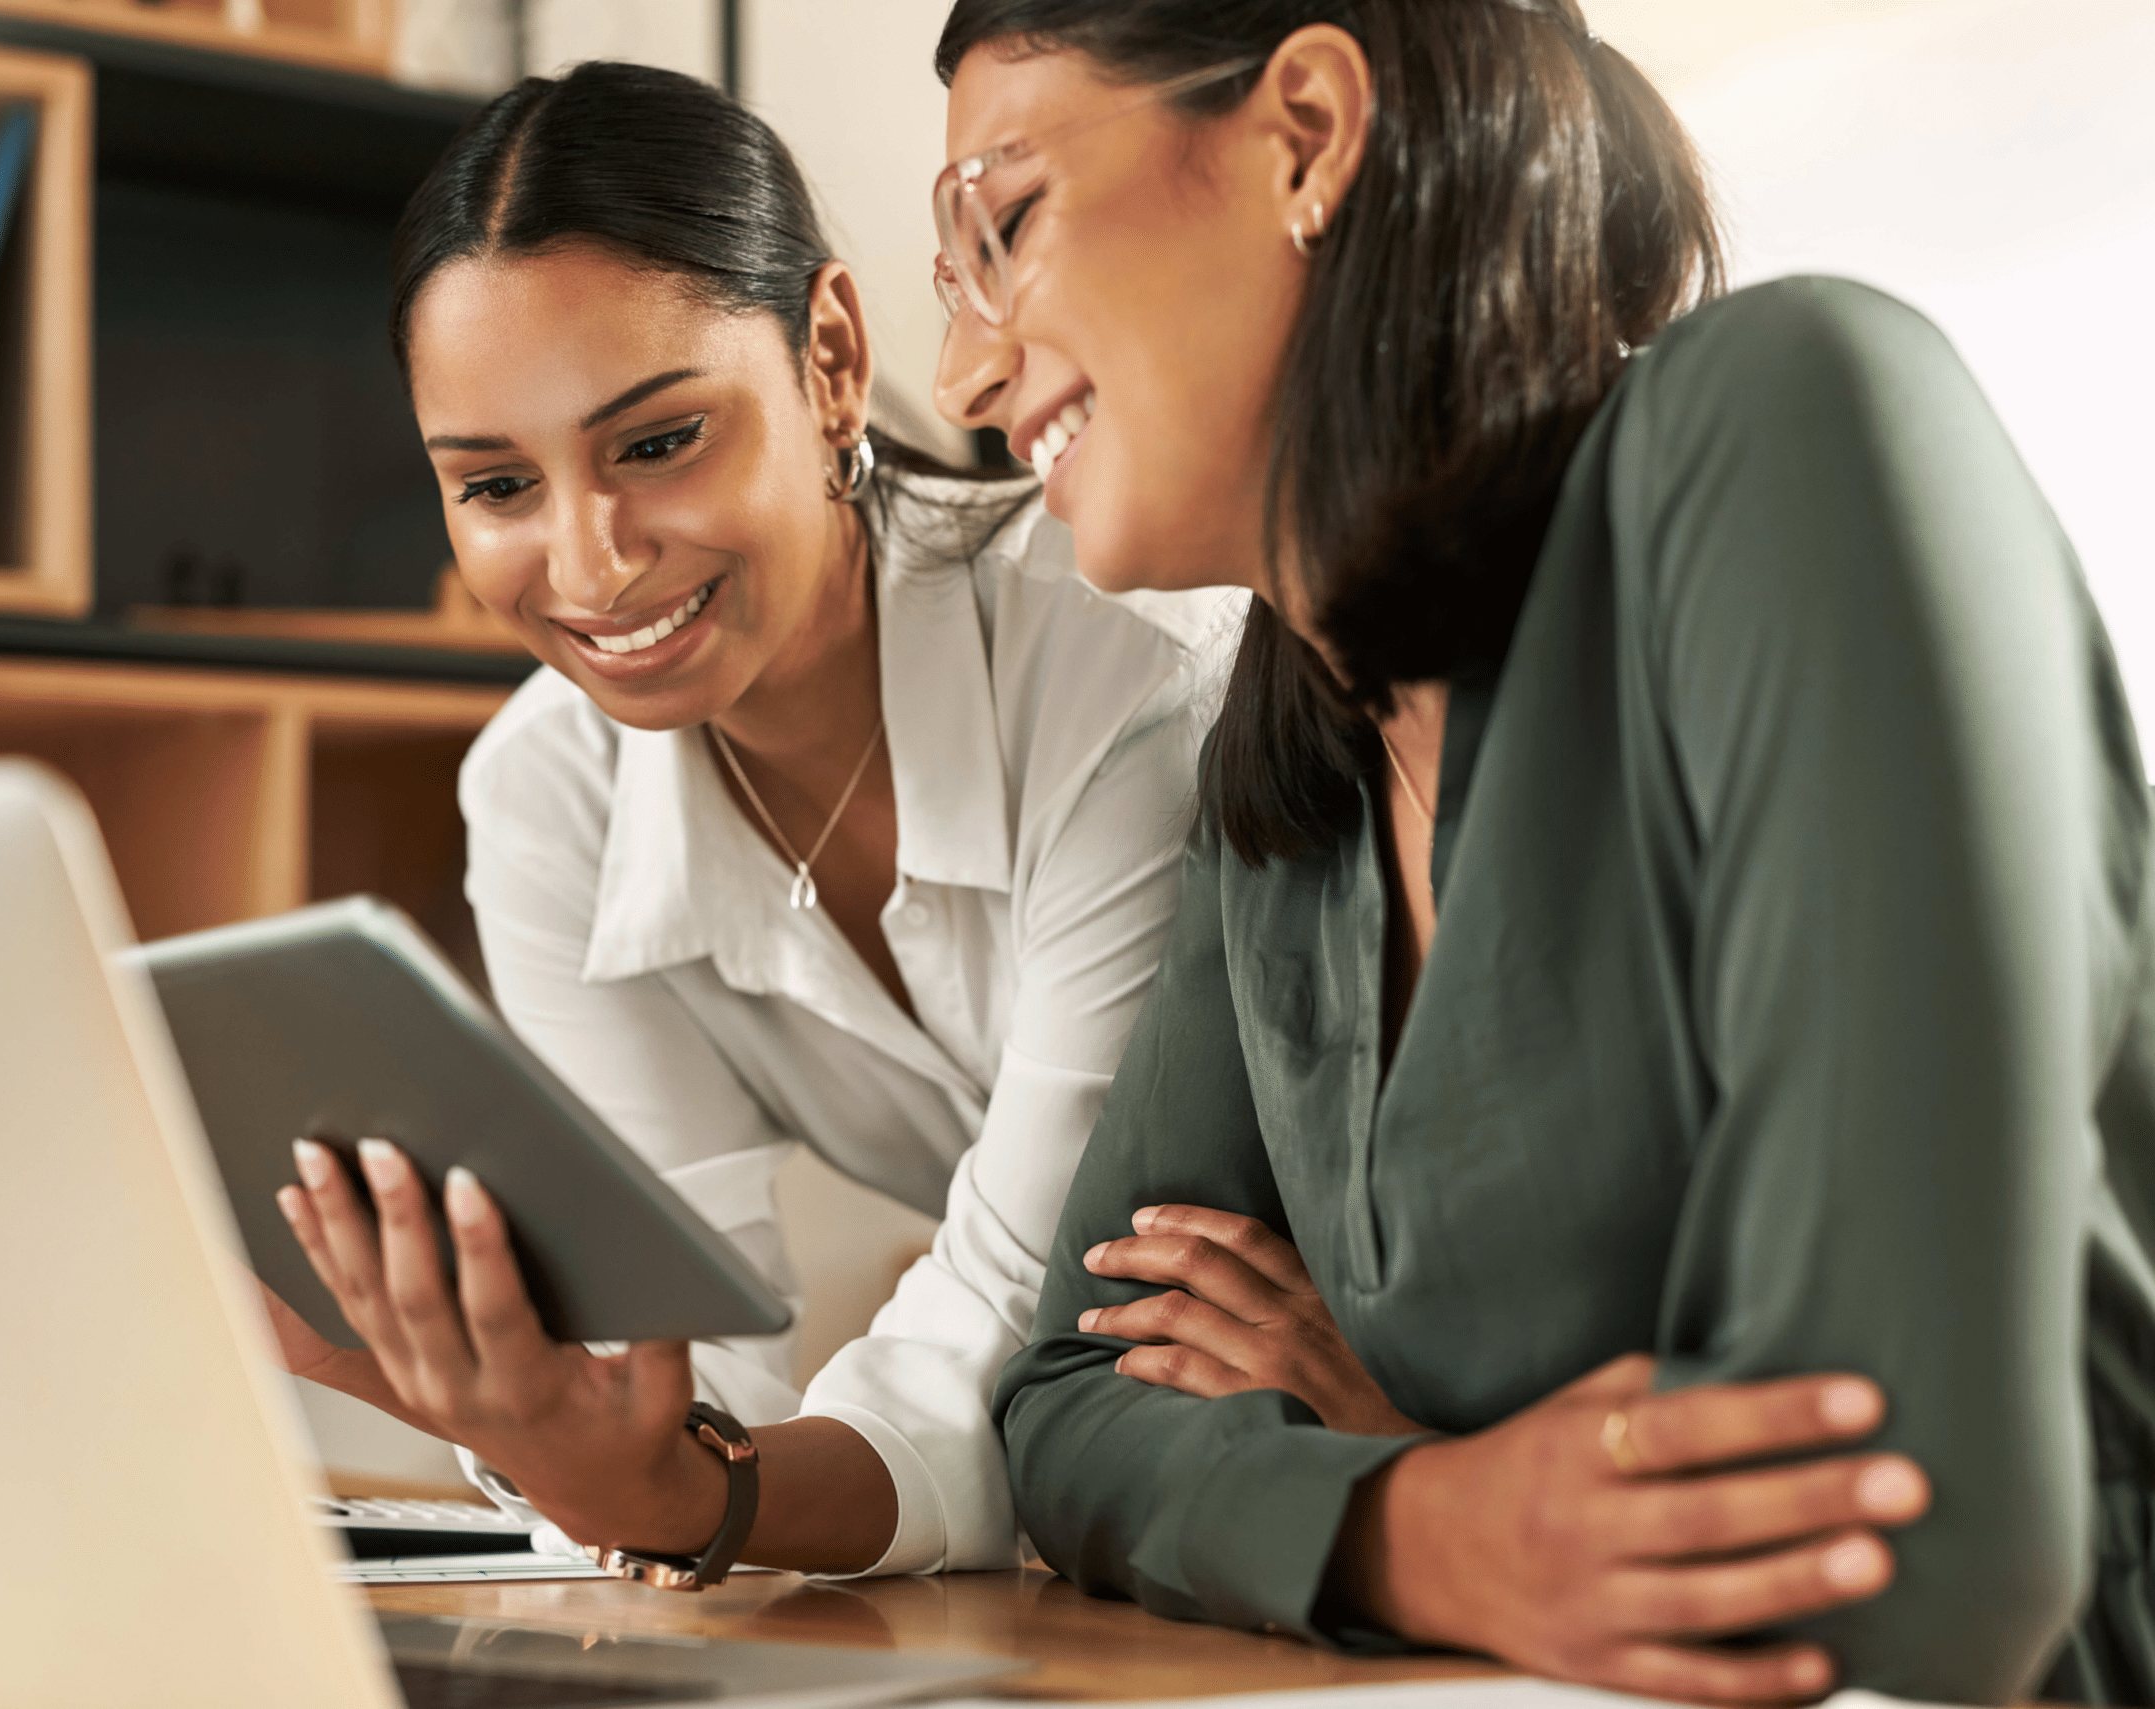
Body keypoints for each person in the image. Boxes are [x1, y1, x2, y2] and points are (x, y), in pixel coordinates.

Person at [928, 0, 2155, 1703]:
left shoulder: (1791, 425)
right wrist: (1427, 1514)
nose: (965, 375)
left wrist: (1387, 1454)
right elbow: (1067, 1410)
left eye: (1006, 223)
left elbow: (1916, 1558)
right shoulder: (1288, 759)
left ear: (1306, 131)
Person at [261, 59, 1243, 1579]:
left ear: (833, 357)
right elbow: (684, 1374)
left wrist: (689, 1496)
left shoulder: (1127, 671)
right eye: (498, 485)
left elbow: (1021, 1331)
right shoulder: (545, 797)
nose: (589, 568)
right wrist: (472, 1387)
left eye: (657, 444)